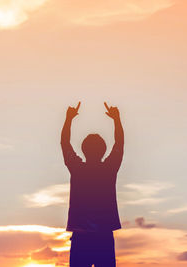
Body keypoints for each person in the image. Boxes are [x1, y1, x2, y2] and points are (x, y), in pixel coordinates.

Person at [61, 102, 124, 267]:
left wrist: (68, 120)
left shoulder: (77, 169)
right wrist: (116, 120)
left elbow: (65, 144)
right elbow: (119, 145)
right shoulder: (109, 169)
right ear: (103, 150)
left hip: (81, 238)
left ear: (84, 149)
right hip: (103, 237)